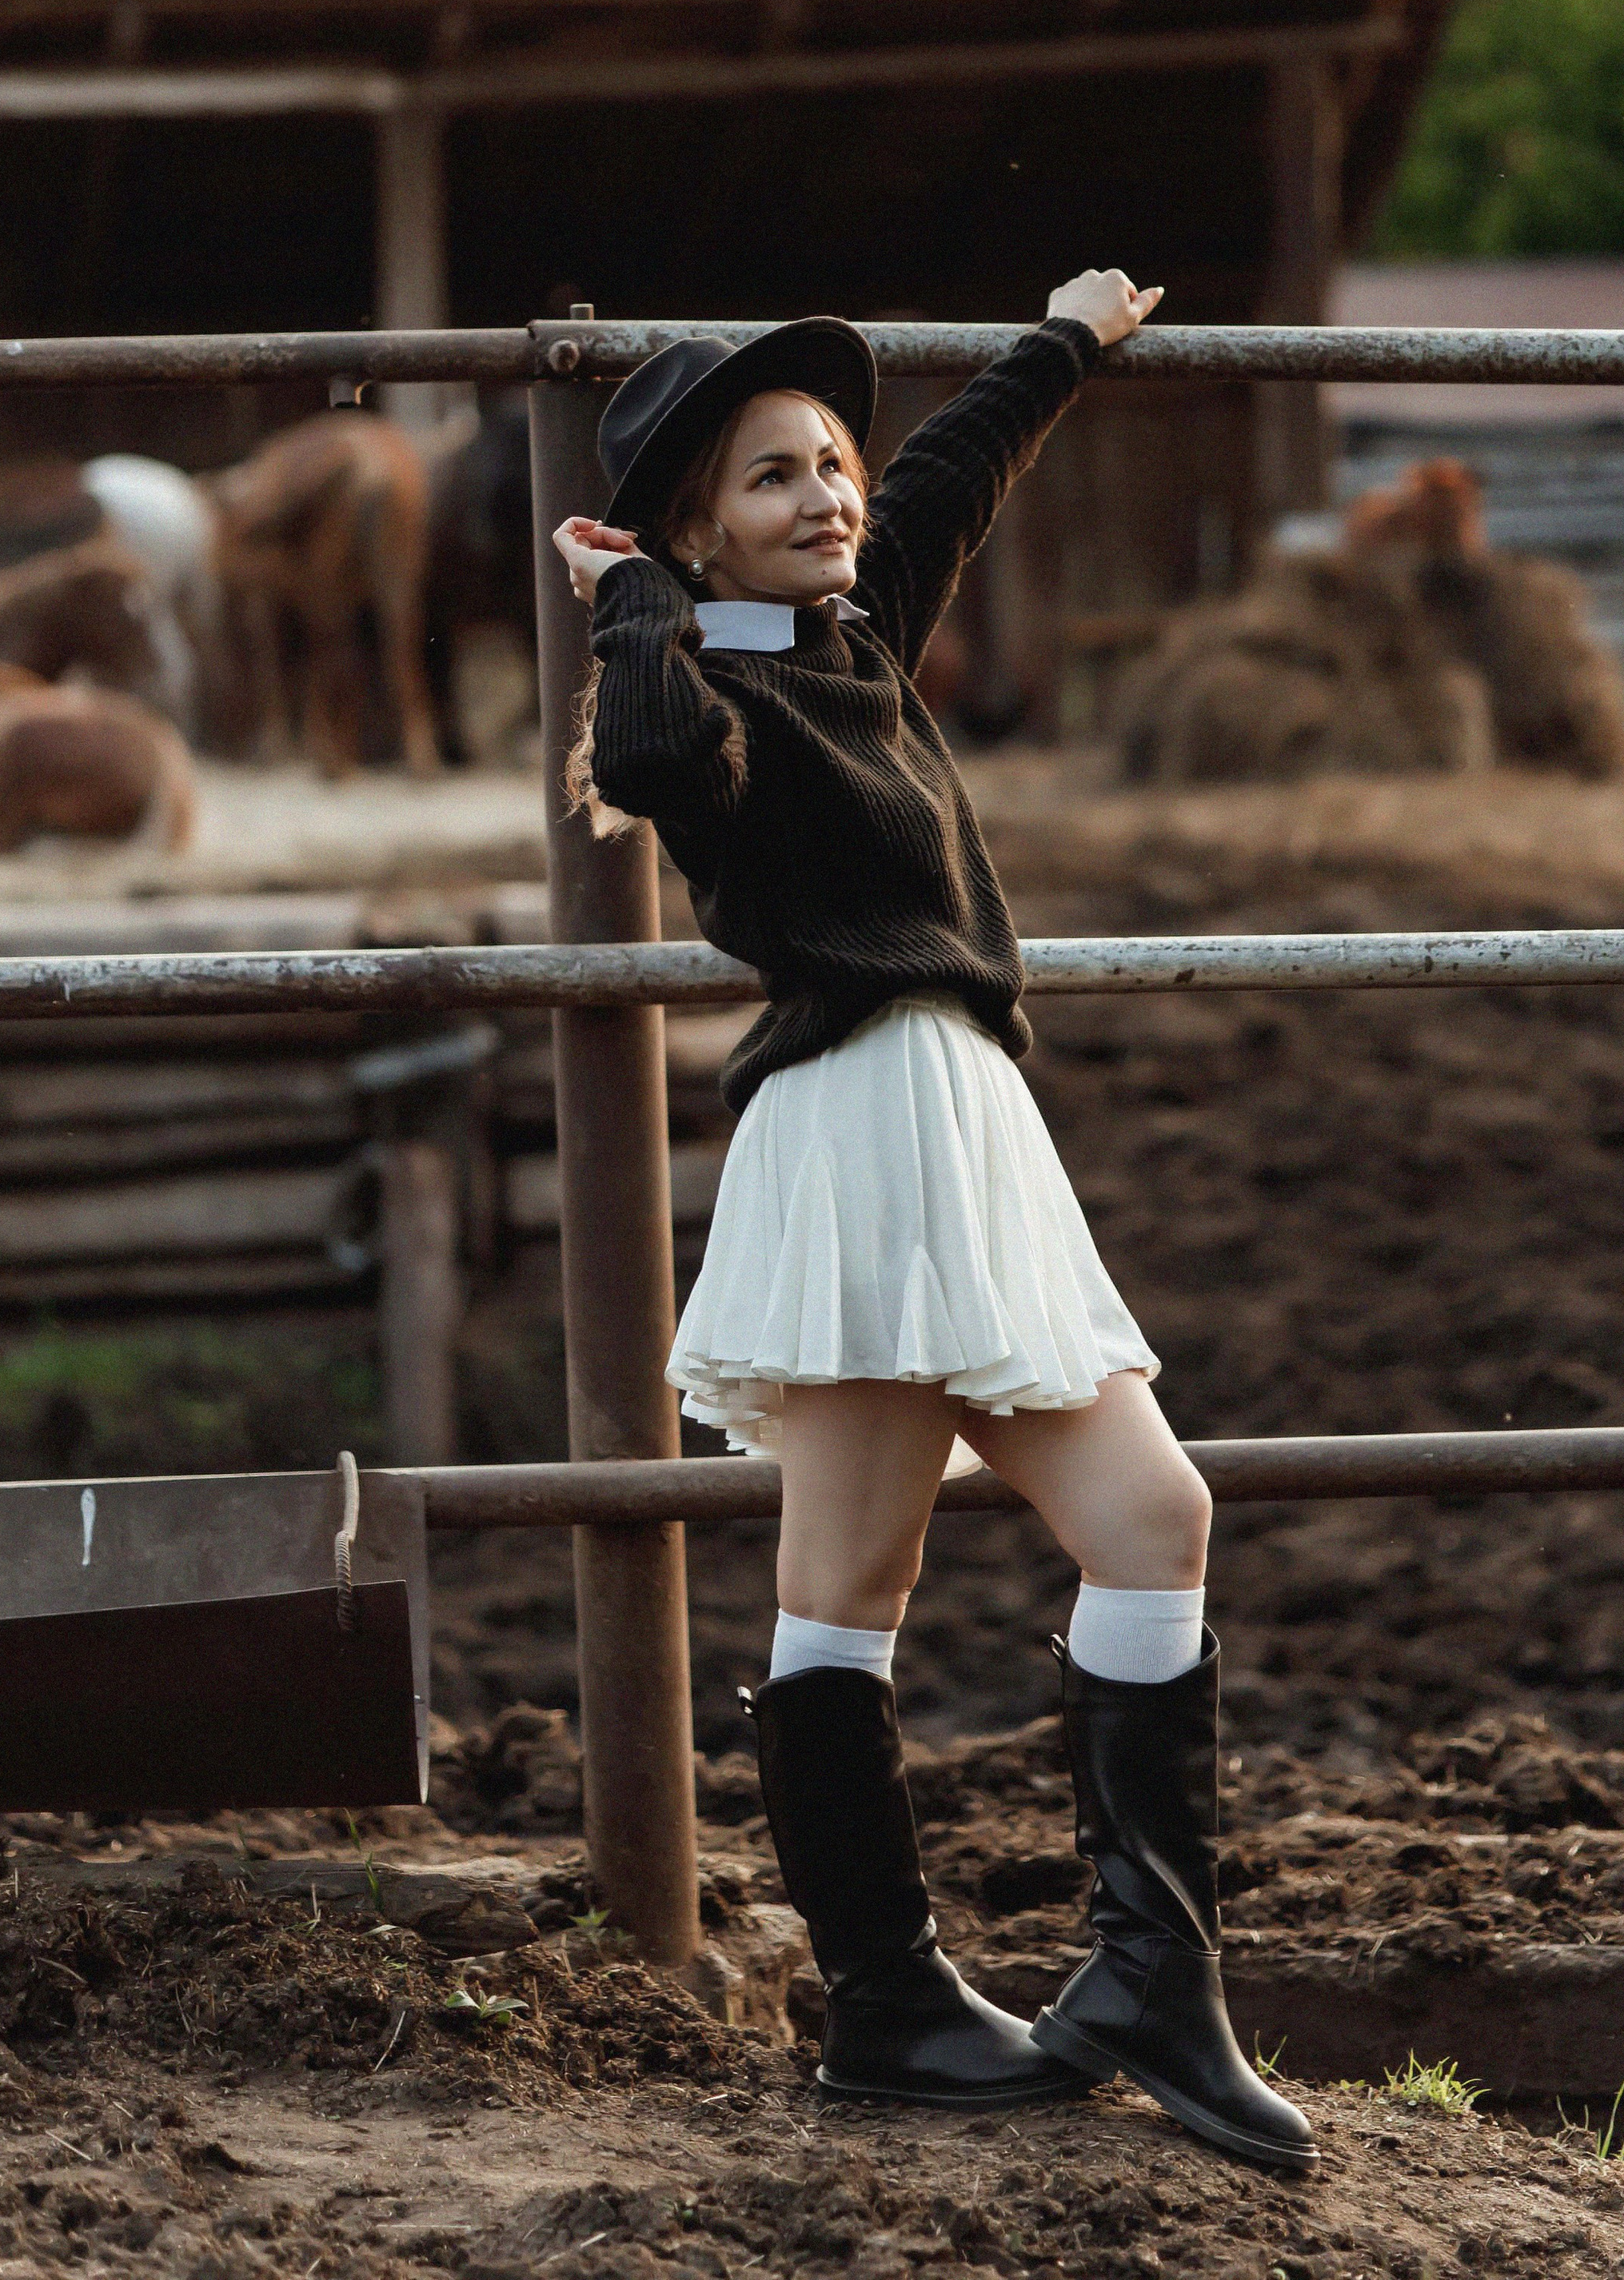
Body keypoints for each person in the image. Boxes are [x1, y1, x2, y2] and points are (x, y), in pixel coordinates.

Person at [551, 272, 1315, 2176]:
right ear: (692, 533)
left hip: (962, 1118)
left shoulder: (858, 632)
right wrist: (628, 601)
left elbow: (947, 478)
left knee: (1115, 1528)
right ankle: (902, 2000)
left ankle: (1130, 1981)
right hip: (857, 1123)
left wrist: (1062, 342)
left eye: (828, 463)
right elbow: (644, 768)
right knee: (874, 1578)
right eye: (771, 479)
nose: (825, 496)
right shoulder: (703, 687)